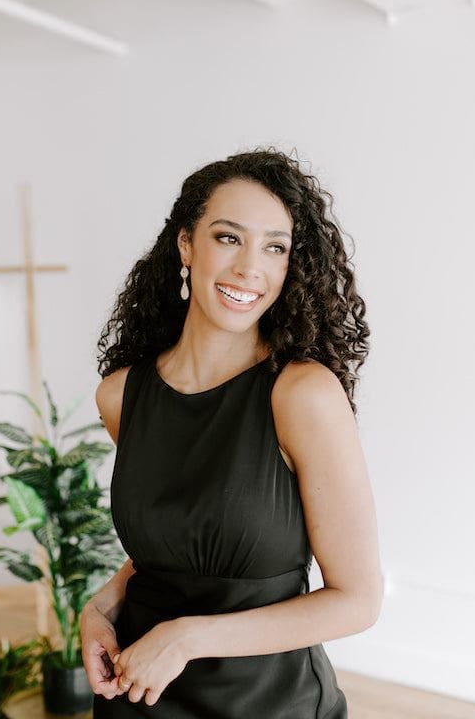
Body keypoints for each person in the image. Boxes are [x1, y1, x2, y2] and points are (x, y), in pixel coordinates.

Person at [81, 147, 383, 718]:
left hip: (269, 702)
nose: (251, 267)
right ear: (185, 244)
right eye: (228, 237)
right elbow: (182, 537)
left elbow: (358, 602)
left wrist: (187, 638)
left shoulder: (302, 395)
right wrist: (100, 606)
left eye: (275, 246)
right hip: (137, 691)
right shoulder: (122, 395)